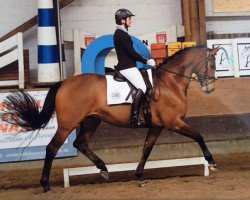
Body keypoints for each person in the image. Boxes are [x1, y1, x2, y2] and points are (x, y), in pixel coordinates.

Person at [113, 8, 156, 126]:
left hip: (130, 66)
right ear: (122, 20)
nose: (131, 21)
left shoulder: (123, 33)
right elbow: (132, 53)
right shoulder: (120, 34)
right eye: (129, 18)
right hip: (126, 67)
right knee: (142, 86)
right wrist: (147, 60)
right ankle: (134, 117)